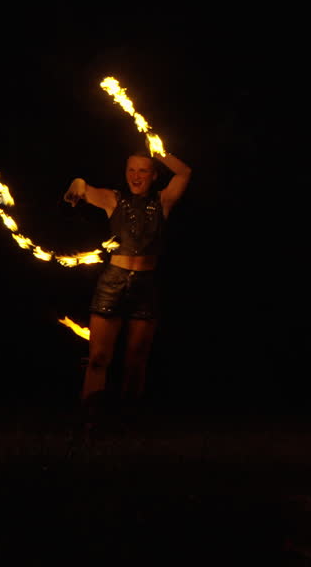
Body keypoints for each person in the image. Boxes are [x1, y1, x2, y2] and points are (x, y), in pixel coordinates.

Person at [63, 150, 192, 433]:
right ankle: (90, 419)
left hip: (146, 285)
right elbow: (86, 189)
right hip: (113, 282)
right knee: (99, 357)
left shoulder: (163, 201)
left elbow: (184, 173)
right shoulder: (114, 199)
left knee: (136, 358)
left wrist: (157, 150)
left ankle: (128, 419)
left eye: (143, 170)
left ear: (154, 175)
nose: (136, 176)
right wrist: (78, 183)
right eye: (131, 170)